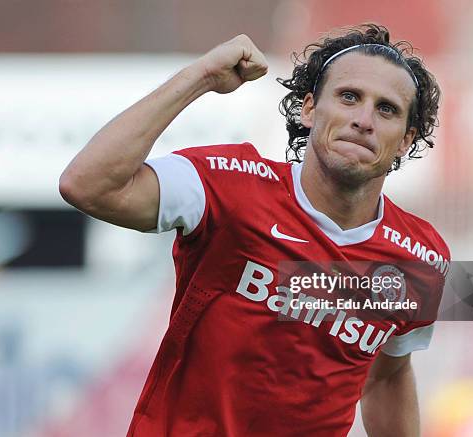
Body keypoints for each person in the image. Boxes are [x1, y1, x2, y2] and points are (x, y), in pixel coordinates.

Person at [59, 23, 450, 437]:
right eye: (349, 97)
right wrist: (201, 77)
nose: (363, 120)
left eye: (386, 109)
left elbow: (387, 375)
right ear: (309, 109)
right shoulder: (228, 186)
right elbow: (86, 185)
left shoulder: (421, 258)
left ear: (407, 139)